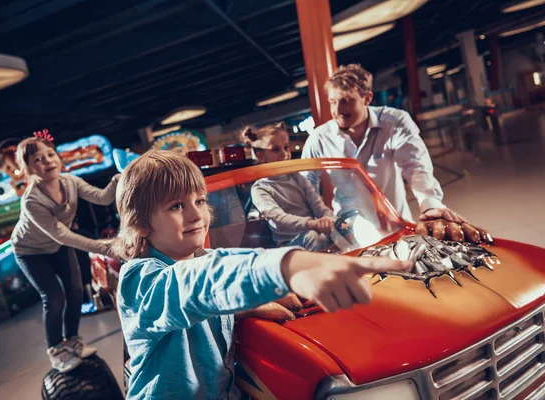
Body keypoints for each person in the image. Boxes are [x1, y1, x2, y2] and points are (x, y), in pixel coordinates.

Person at [113, 150, 411, 399]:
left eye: (200, 201)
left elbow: (215, 285)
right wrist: (286, 268)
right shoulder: (140, 280)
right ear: (140, 224)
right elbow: (195, 286)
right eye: (177, 206)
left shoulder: (206, 258)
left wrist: (245, 307)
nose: (195, 215)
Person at [302, 64, 492, 244]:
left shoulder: (394, 121)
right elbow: (305, 184)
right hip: (349, 231)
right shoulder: (319, 138)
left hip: (396, 223)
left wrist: (430, 204)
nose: (337, 110)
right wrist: (318, 219)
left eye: (346, 101)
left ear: (367, 98)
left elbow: (416, 166)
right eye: (333, 102)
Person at [11, 133, 120, 372]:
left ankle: (72, 339)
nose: (48, 161)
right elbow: (61, 234)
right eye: (38, 159)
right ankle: (56, 350)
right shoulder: (31, 201)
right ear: (27, 168)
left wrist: (117, 181)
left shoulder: (70, 181)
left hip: (57, 246)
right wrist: (103, 247)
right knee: (54, 297)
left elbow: (102, 198)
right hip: (30, 251)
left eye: (50, 155)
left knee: (75, 291)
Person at [241, 122, 335, 251]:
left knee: (342, 235)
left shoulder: (297, 177)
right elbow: (278, 218)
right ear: (260, 156)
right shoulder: (260, 188)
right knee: (315, 237)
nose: (284, 154)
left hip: (313, 232)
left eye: (286, 147)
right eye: (276, 149)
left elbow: (319, 207)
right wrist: (312, 224)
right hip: (288, 246)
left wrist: (332, 220)